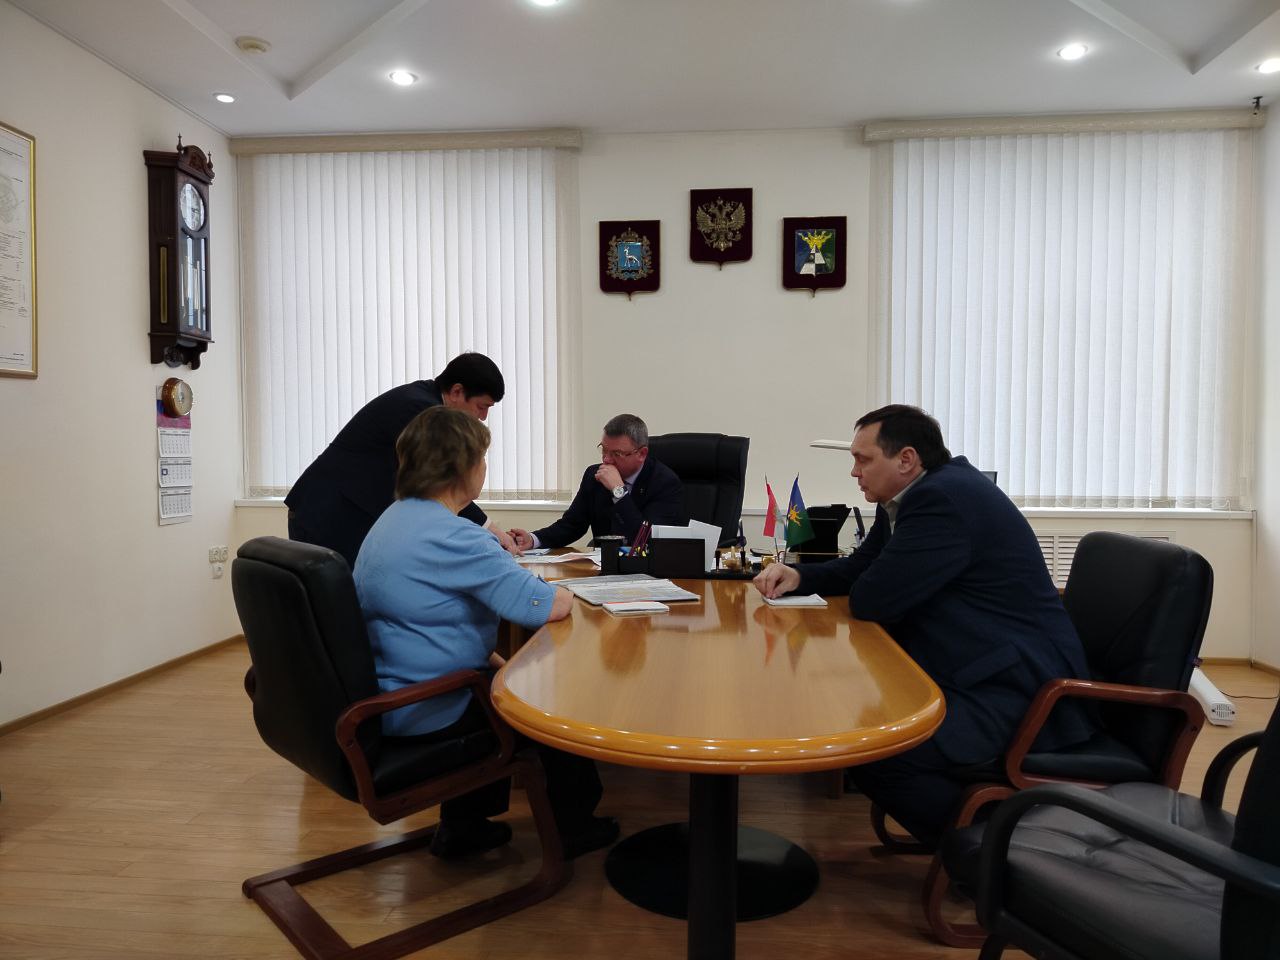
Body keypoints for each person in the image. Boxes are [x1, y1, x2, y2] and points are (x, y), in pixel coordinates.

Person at [753, 404, 1094, 847]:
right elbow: (864, 566)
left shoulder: (943, 501)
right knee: (866, 734)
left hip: (1016, 691)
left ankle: (998, 852)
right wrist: (800, 576)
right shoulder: (909, 496)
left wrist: (866, 582)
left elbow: (873, 598)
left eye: (863, 459)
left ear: (906, 459)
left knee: (876, 752)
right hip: (976, 666)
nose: (855, 472)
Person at [353, 406, 619, 860]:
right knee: (558, 706)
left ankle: (463, 828)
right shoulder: (457, 537)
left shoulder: (390, 521)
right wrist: (571, 591)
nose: (484, 467)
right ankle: (573, 828)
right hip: (428, 705)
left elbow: (438, 621)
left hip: (388, 694)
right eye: (482, 458)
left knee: (502, 676)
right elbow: (547, 607)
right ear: (463, 467)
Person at [285, 352, 518, 569]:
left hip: (343, 512)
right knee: (340, 597)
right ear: (457, 391)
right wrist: (490, 529)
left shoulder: (422, 399)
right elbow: (443, 482)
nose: (483, 417)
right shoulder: (422, 412)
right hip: (329, 514)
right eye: (481, 407)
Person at [508, 414, 687, 550]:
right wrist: (533, 539)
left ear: (641, 454)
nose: (606, 460)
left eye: (616, 454)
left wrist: (618, 491)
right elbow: (572, 525)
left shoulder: (665, 483)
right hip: (602, 569)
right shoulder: (594, 475)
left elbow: (644, 540)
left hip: (649, 574)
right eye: (604, 450)